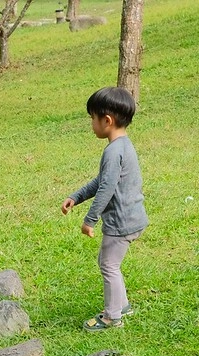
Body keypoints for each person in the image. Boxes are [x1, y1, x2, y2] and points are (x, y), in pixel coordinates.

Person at [61, 86, 149, 332]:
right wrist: (76, 197)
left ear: (107, 120)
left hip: (120, 224)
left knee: (109, 265)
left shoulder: (113, 152)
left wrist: (90, 220)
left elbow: (106, 188)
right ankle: (122, 306)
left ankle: (112, 316)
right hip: (132, 218)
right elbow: (102, 181)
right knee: (109, 262)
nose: (91, 124)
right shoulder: (123, 146)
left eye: (92, 118)